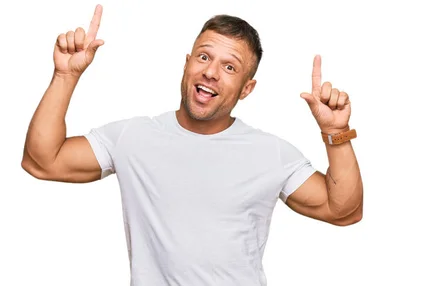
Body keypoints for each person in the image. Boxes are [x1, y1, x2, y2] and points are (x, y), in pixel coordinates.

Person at [21, 4, 363, 286]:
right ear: (187, 63)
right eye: (203, 57)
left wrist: (337, 133)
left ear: (247, 89)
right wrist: (65, 77)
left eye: (230, 67)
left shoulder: (270, 153)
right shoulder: (133, 138)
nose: (211, 72)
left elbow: (343, 210)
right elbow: (43, 160)